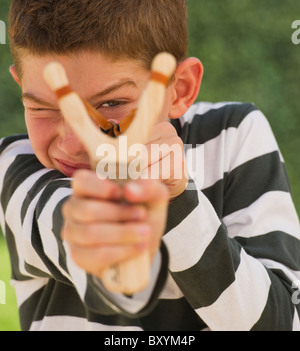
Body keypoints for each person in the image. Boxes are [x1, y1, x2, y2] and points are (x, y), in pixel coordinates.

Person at [0, 0, 299, 331]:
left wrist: (179, 197)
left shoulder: (232, 135)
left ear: (180, 88)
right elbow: (78, 235)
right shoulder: (16, 166)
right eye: (42, 108)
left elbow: (280, 323)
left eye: (111, 104)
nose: (72, 143)